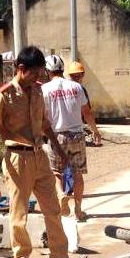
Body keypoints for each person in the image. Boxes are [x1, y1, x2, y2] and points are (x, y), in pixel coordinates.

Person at [0, 46, 74, 258]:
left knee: (52, 208)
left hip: (39, 156)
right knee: (19, 212)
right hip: (16, 158)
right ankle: (21, 256)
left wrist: (60, 152)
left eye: (41, 73)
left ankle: (59, 256)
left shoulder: (38, 91)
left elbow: (45, 125)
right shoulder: (3, 95)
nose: (38, 77)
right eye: (35, 73)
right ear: (21, 69)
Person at [42, 55, 102, 222]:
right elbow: (87, 113)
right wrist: (95, 131)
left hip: (56, 136)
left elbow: (42, 116)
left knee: (57, 172)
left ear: (47, 72)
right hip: (77, 135)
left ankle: (62, 194)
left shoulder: (44, 90)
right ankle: (78, 210)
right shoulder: (77, 87)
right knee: (78, 173)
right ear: (63, 70)